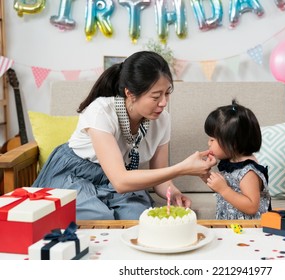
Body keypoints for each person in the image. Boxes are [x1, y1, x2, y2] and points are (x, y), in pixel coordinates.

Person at [32, 51, 217, 220]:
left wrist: (175, 193)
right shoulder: (100, 112)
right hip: (75, 174)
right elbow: (120, 181)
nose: (163, 103)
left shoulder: (162, 120)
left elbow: (161, 178)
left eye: (167, 93)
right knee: (99, 217)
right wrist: (182, 168)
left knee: (138, 217)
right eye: (155, 96)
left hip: (118, 181)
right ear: (130, 93)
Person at [202, 99, 271, 219]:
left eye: (213, 139)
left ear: (233, 143)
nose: (209, 143)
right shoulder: (230, 162)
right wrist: (204, 174)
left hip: (248, 229)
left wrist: (223, 189)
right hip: (231, 226)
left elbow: (251, 206)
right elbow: (219, 185)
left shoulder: (248, 172)